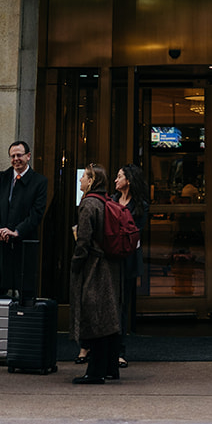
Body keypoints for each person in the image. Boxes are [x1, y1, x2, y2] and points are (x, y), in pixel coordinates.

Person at [69, 163, 122, 384]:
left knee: (95, 316)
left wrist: (75, 264)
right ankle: (111, 368)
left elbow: (83, 241)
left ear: (91, 182)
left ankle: (95, 372)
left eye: (84, 178)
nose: (80, 181)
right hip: (109, 265)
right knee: (108, 316)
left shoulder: (88, 204)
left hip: (93, 266)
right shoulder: (107, 201)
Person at [0, 139, 47, 298]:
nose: (16, 159)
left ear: (28, 156)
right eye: (12, 156)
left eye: (19, 155)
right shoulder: (2, 177)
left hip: (22, 245)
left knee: (24, 295)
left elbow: (36, 214)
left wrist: (17, 231)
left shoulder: (39, 182)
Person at [113, 164, 148, 367]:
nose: (116, 180)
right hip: (112, 256)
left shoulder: (140, 205)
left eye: (119, 176)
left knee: (123, 304)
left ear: (129, 180)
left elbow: (136, 231)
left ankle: (119, 349)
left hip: (128, 257)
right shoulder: (111, 199)